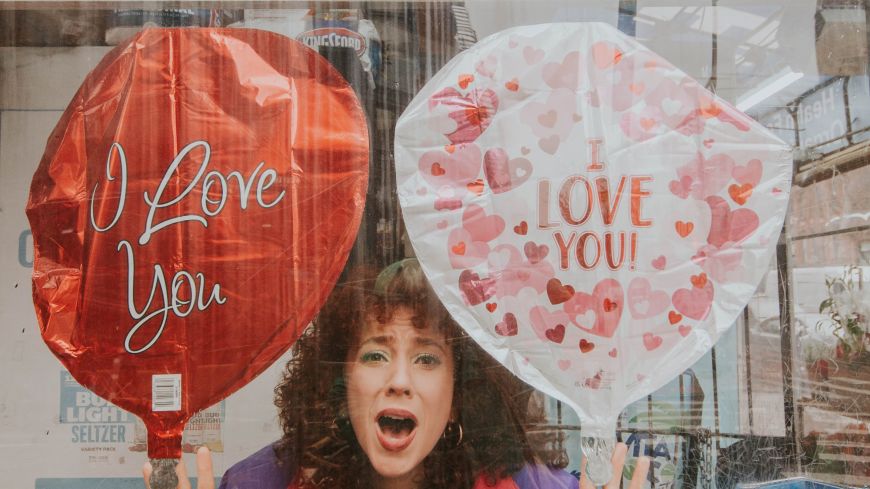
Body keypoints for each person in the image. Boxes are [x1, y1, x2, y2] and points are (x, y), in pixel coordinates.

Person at [144, 259, 650, 489]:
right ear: (339, 385)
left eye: (427, 358)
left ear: (459, 393)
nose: (400, 380)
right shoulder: (262, 484)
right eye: (375, 355)